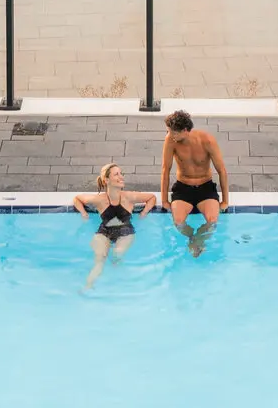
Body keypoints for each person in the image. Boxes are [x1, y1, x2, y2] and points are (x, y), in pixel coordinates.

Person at [72, 164, 156, 289]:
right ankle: (88, 286)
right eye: (116, 174)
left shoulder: (129, 197)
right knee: (100, 259)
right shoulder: (99, 200)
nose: (121, 177)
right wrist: (83, 213)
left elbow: (152, 198)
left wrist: (144, 212)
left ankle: (119, 283)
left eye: (121, 173)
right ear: (107, 180)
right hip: (104, 231)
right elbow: (77, 199)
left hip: (125, 232)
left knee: (117, 254)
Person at [159, 110, 227, 255]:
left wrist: (226, 201)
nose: (170, 135)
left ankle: (198, 241)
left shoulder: (207, 141)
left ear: (185, 130)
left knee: (213, 220)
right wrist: (164, 200)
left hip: (205, 188)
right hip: (183, 188)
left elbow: (222, 170)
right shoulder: (170, 141)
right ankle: (193, 238)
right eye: (169, 132)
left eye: (173, 133)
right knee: (178, 222)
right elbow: (166, 169)